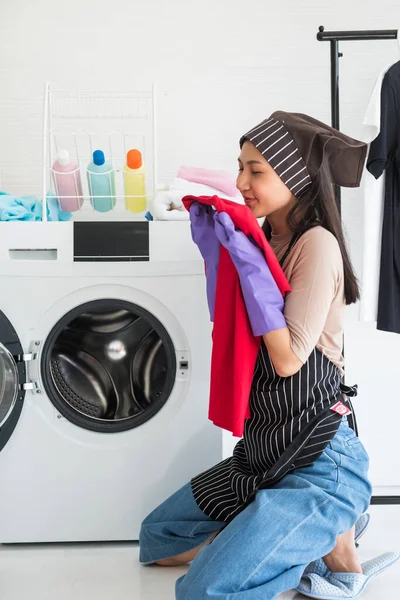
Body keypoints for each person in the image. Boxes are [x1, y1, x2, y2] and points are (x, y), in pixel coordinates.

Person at [139, 112, 373, 599]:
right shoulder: (261, 238)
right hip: (264, 452)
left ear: (295, 176)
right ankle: (296, 535)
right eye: (239, 167)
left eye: (257, 171)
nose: (242, 182)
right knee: (155, 538)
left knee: (202, 591)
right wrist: (226, 255)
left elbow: (287, 359)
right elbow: (232, 330)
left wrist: (251, 269)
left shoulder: (317, 244)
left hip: (318, 458)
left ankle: (332, 537)